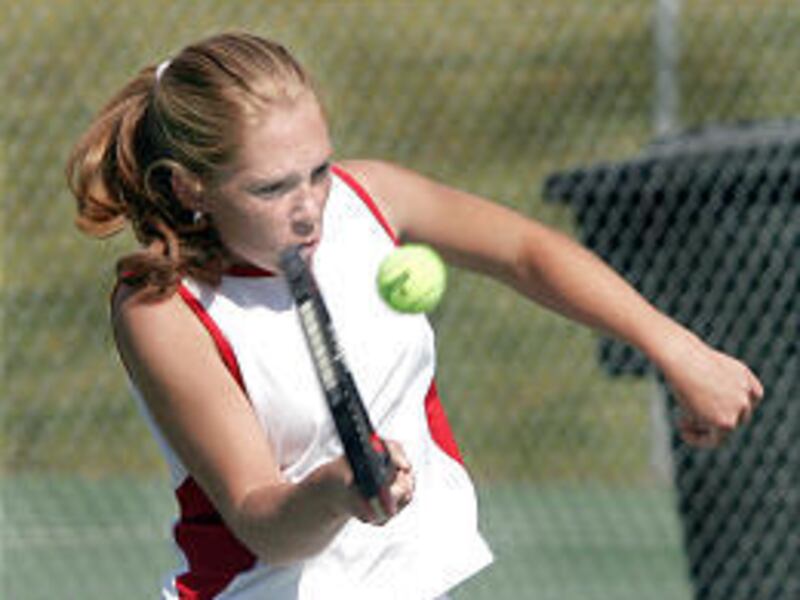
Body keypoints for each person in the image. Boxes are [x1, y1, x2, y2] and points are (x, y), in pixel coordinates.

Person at [65, 31, 764, 600]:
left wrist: (674, 347)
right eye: (273, 187)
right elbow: (259, 519)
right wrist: (338, 490)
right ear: (191, 187)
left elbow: (526, 252)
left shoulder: (364, 200)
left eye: (317, 168)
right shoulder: (163, 309)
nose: (310, 204)